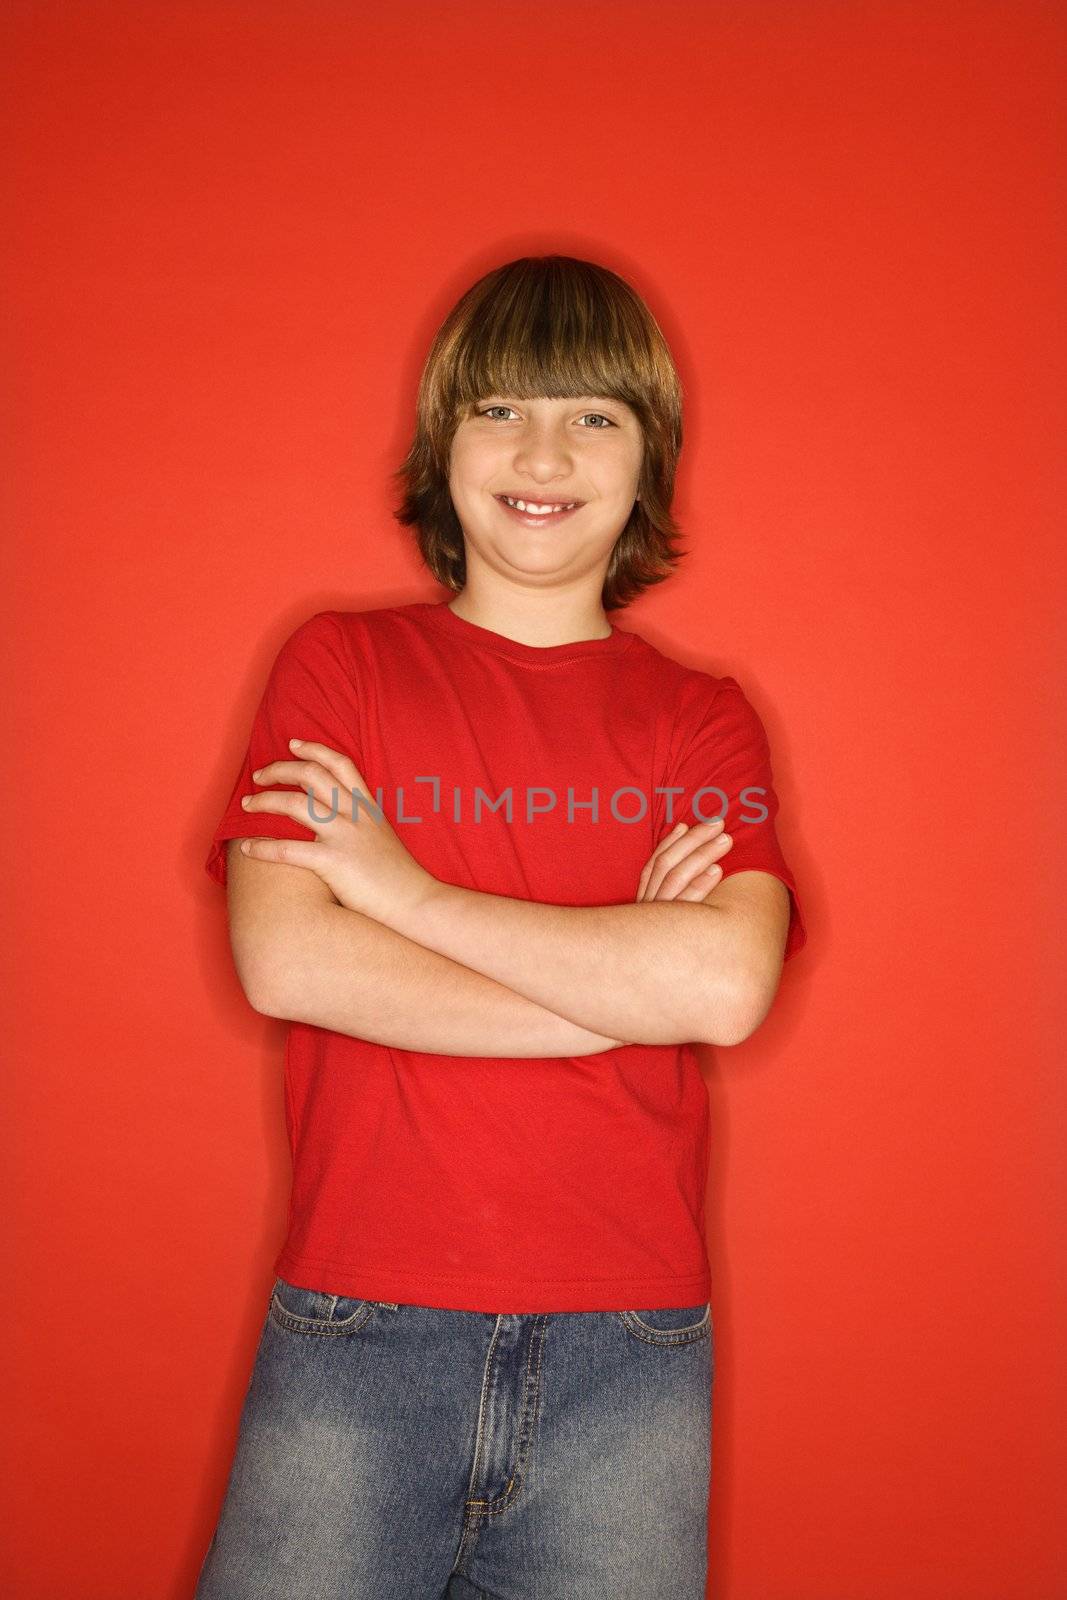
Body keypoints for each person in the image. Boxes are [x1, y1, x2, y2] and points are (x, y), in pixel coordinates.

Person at [194, 255, 806, 1600]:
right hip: (358, 1327)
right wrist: (617, 982)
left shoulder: (703, 719)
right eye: (501, 410)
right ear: (442, 445)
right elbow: (289, 957)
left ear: (651, 461)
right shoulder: (338, 667)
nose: (544, 450)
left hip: (629, 1350)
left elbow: (724, 987)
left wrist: (402, 893)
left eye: (595, 415)